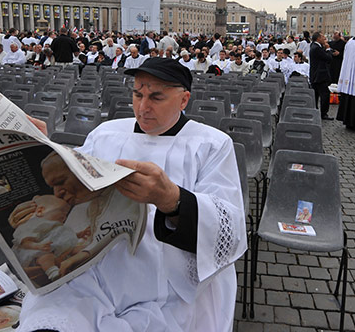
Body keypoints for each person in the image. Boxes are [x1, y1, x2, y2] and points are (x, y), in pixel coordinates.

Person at [17, 57, 246, 332]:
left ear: (184, 100)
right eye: (137, 94)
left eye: (156, 97)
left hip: (166, 271)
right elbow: (79, 181)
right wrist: (44, 148)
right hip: (97, 260)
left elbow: (229, 227)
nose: (142, 107)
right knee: (56, 314)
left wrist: (172, 199)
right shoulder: (107, 133)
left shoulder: (211, 144)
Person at [309, 32, 335, 120]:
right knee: (325, 95)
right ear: (318, 38)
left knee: (316, 95)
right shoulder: (316, 48)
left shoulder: (314, 46)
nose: (324, 39)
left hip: (316, 75)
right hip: (320, 76)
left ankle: (315, 111)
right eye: (323, 37)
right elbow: (328, 58)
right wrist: (328, 49)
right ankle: (323, 113)